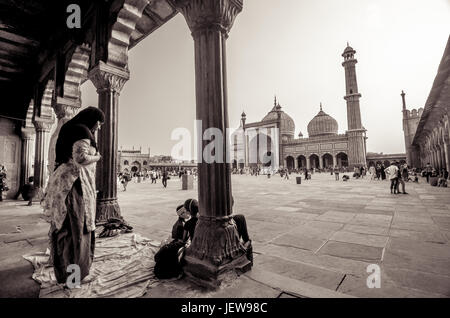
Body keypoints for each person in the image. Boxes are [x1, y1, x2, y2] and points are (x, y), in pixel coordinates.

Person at [42, 106, 104, 286]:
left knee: (65, 229)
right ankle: (74, 277)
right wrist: (98, 157)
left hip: (64, 182)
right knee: (76, 230)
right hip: (74, 186)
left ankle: (66, 274)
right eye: (99, 123)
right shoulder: (82, 130)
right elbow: (81, 158)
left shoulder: (70, 128)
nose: (98, 127)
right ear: (92, 119)